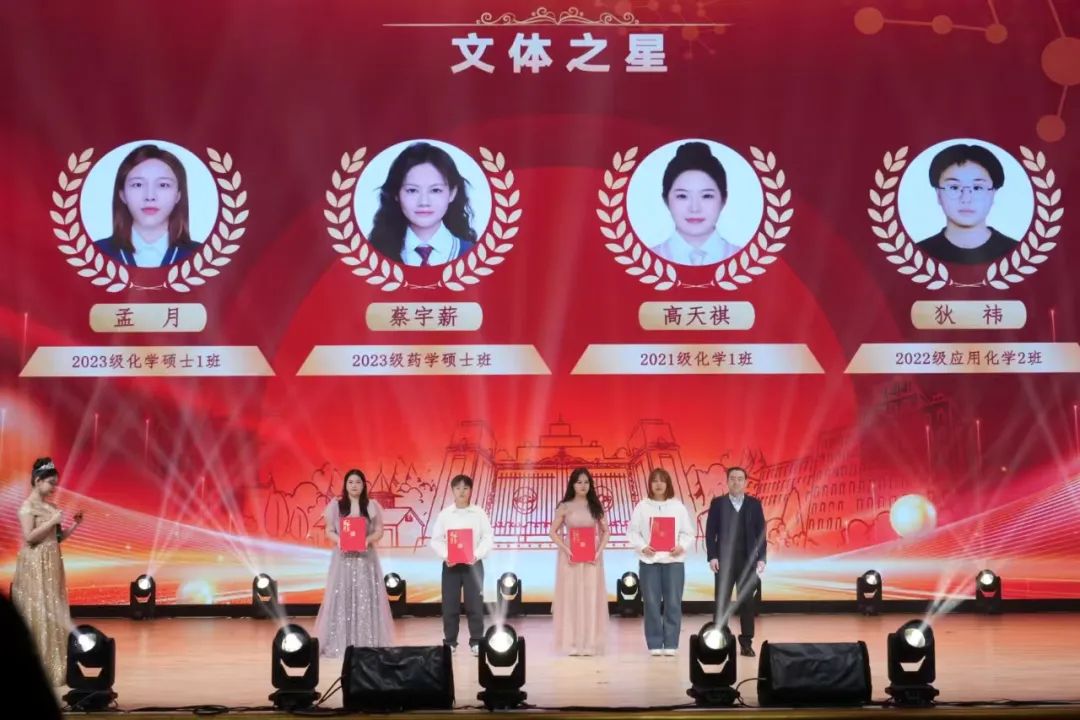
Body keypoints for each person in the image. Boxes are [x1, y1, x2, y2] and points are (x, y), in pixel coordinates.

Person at [12, 457, 84, 686]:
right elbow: (30, 537)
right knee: (38, 610)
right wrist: (52, 520)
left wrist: (74, 524)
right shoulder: (27, 507)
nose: (54, 488)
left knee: (54, 608)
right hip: (35, 563)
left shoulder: (52, 507)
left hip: (52, 561)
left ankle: (55, 666)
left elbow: (57, 538)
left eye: (55, 483)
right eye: (51, 483)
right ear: (37, 480)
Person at [314, 469, 394, 656]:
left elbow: (379, 531)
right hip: (343, 560)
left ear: (364, 485)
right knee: (342, 596)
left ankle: (366, 642)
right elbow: (329, 530)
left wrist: (367, 540)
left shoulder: (371, 505)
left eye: (358, 482)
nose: (354, 486)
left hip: (365, 560)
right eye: (350, 482)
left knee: (365, 598)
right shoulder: (336, 506)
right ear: (345, 485)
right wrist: (340, 541)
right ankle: (340, 642)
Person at [368, 142, 478, 266]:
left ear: (452, 193)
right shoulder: (373, 255)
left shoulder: (474, 255)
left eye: (435, 190)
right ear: (396, 194)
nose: (424, 202)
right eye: (412, 190)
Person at [93, 144, 198, 267]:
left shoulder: (201, 256)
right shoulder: (94, 254)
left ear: (178, 195)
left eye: (163, 185)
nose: (150, 196)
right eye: (138, 185)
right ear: (122, 194)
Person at [627, 468, 694, 656]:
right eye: (654, 481)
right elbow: (632, 532)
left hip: (674, 562)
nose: (658, 484)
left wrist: (681, 546)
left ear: (668, 484)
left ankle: (671, 643)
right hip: (649, 562)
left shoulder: (678, 507)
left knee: (673, 603)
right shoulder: (642, 507)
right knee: (651, 603)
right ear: (650, 484)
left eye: (662, 480)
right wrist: (643, 547)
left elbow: (688, 533)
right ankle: (654, 643)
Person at [919, 143, 1017, 265]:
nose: (966, 199)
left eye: (977, 188)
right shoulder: (918, 255)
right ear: (938, 194)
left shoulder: (1017, 253)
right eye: (954, 187)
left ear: (993, 193)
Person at [704, 466, 766, 657]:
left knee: (747, 602)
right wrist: (712, 556)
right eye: (732, 478)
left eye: (740, 479)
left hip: (747, 561)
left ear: (745, 482)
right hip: (724, 561)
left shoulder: (754, 504)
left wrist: (762, 558)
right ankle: (719, 641)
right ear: (727, 481)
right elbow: (710, 532)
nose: (736, 482)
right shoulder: (718, 504)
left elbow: (761, 534)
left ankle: (746, 643)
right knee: (721, 602)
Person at [429, 474, 493, 655]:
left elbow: (487, 537)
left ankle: (477, 641)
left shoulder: (479, 513)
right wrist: (446, 555)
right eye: (458, 488)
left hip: (474, 565)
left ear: (471, 490)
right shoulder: (445, 514)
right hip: (451, 565)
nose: (462, 492)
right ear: (452, 490)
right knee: (450, 605)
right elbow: (436, 540)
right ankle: (450, 642)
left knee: (475, 605)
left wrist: (476, 555)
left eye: (465, 488)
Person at [549, 467, 609, 656]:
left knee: (591, 597)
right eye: (579, 482)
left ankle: (590, 643)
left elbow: (606, 531)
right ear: (572, 485)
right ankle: (573, 643)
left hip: (592, 559)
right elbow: (552, 532)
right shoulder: (565, 506)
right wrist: (566, 549)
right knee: (571, 598)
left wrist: (598, 552)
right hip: (571, 559)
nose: (583, 485)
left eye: (586, 482)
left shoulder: (595, 506)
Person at [650, 141, 741, 265]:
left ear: (723, 200)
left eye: (707, 196)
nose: (694, 208)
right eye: (682, 196)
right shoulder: (645, 260)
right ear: (666, 200)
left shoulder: (746, 260)